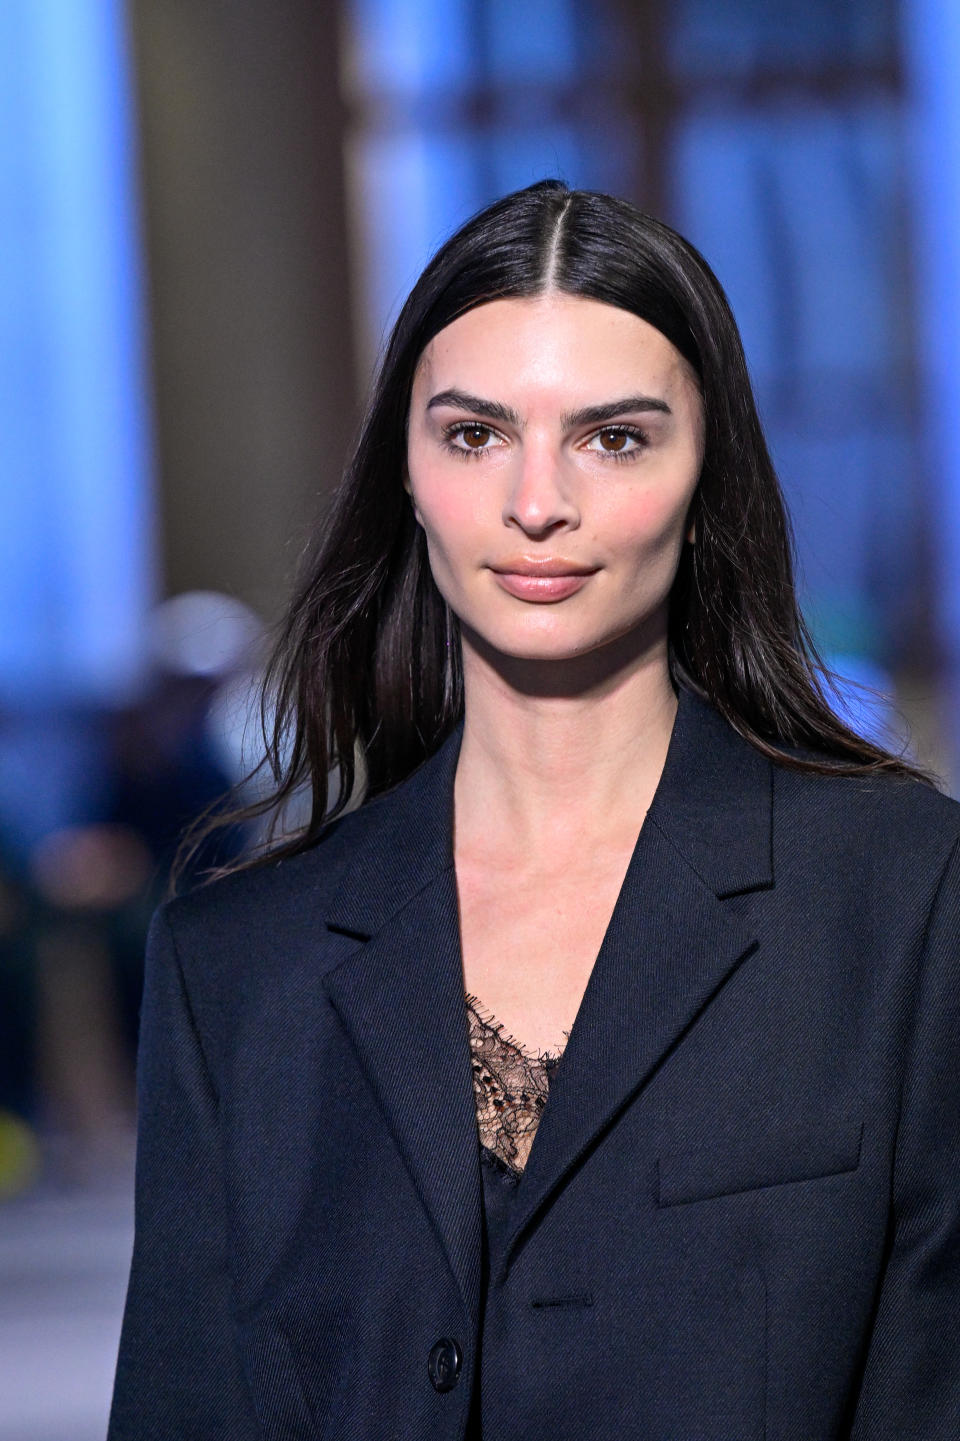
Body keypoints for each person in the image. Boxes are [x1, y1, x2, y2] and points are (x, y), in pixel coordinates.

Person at [108, 181, 960, 1440]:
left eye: (613, 436)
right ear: (405, 469)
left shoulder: (901, 900)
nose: (536, 501)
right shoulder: (239, 968)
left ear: (704, 467)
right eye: (474, 435)